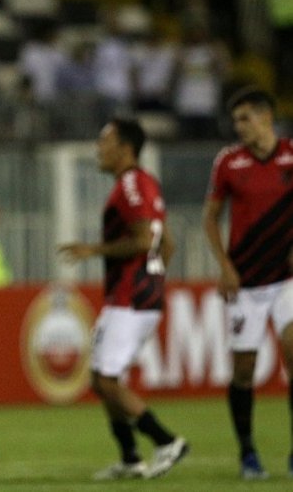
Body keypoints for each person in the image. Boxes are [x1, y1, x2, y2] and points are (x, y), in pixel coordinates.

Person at [59, 117, 188, 480]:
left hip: (131, 297)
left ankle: (166, 441)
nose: (99, 148)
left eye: (105, 141)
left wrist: (92, 250)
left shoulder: (131, 183)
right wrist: (156, 279)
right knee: (104, 378)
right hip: (138, 295)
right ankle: (131, 458)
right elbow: (169, 243)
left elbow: (146, 239)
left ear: (125, 147)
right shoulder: (144, 182)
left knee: (106, 381)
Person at [202, 87, 293, 479]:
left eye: (245, 119)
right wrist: (224, 267)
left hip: (286, 279)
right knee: (244, 370)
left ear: (265, 117)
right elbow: (210, 219)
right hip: (245, 284)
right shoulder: (228, 162)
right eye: (236, 120)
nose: (239, 127)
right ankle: (248, 453)